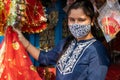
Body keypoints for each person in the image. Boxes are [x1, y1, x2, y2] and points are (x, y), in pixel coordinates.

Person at [14, 0, 110, 80]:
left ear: (92, 21)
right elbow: (45, 58)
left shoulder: (97, 51)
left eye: (81, 20)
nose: (76, 24)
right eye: (72, 20)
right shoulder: (67, 42)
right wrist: (23, 41)